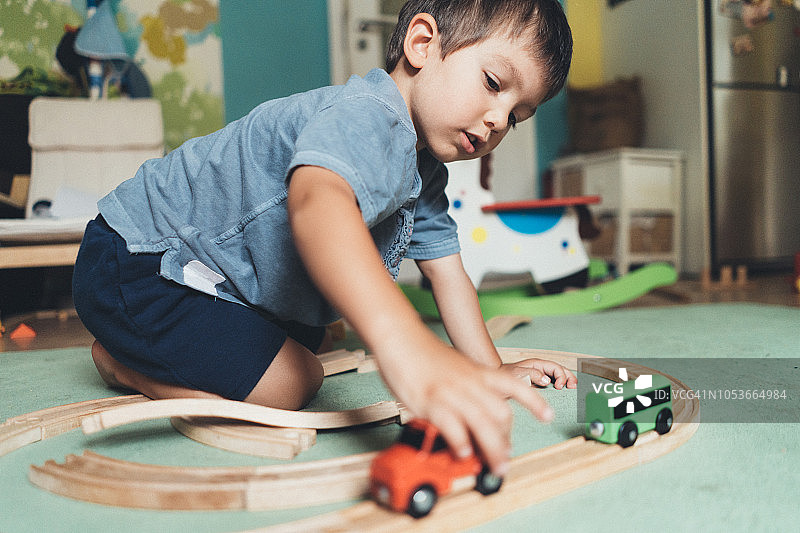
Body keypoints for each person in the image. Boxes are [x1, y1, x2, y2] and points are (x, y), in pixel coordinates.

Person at [72, 0, 577, 476]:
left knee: (317, 330)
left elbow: (448, 272)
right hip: (138, 261)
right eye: (493, 83)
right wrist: (405, 344)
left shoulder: (423, 167)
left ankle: (158, 346)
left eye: (516, 115)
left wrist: (491, 368)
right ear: (422, 44)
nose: (496, 121)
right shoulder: (366, 117)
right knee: (295, 381)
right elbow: (318, 206)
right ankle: (124, 365)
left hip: (203, 270)